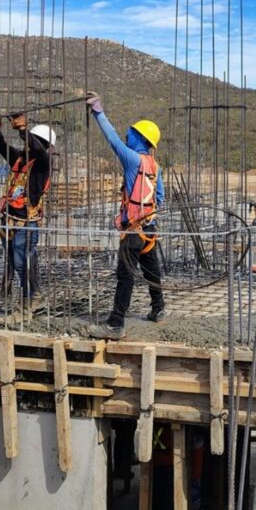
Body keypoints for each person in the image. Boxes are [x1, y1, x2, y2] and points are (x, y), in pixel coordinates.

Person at [85, 91, 165, 339]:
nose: (128, 134)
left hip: (133, 230)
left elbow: (113, 140)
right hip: (148, 227)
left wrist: (98, 110)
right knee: (152, 270)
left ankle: (116, 324)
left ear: (140, 137)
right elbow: (159, 198)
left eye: (132, 132)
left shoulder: (133, 160)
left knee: (125, 275)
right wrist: (147, 215)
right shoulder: (154, 166)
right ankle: (158, 308)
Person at [0, 110, 56, 319]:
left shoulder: (43, 163)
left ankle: (29, 303)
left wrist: (23, 129)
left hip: (26, 222)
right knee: (16, 261)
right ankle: (32, 297)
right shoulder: (19, 158)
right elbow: (0, 146)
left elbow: (37, 149)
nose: (26, 145)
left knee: (22, 261)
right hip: (9, 220)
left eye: (31, 142)